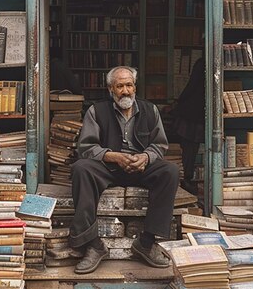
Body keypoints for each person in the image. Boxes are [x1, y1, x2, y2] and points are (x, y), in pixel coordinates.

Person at [69, 65, 179, 274]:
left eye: (129, 85)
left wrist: (146, 157)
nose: (125, 91)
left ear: (135, 88)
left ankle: (146, 243)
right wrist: (113, 156)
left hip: (141, 167)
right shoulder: (96, 111)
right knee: (81, 168)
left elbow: (160, 145)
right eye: (120, 86)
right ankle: (93, 245)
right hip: (108, 167)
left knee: (170, 171)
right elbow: (86, 147)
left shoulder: (150, 110)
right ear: (111, 89)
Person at [168, 56, 205, 194]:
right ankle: (186, 180)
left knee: (189, 149)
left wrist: (180, 101)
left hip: (192, 114)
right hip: (195, 114)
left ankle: (186, 179)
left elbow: (191, 85)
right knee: (190, 149)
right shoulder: (204, 63)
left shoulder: (201, 63)